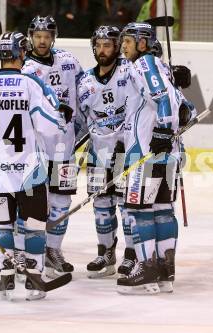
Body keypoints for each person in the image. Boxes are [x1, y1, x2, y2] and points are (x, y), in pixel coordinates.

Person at [0, 31, 70, 301]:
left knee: (1, 226)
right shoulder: (31, 83)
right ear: (22, 52)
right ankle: (33, 279)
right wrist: (61, 118)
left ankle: (6, 275)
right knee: (33, 225)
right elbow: (49, 127)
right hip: (28, 171)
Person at [118, 22, 194, 294]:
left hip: (146, 153)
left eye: (128, 40)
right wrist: (170, 127)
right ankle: (165, 270)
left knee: (138, 211)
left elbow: (163, 99)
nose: (123, 45)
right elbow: (186, 109)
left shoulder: (144, 64)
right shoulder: (162, 68)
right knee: (162, 210)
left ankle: (147, 268)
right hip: (168, 155)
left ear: (142, 42)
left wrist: (162, 130)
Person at [21, 15, 84, 279]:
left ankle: (54, 250)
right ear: (31, 37)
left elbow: (85, 89)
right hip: (35, 150)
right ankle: (28, 251)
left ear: (53, 37)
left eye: (47, 36)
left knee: (61, 200)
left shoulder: (69, 62)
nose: (42, 40)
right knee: (34, 203)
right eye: (38, 36)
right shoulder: (23, 69)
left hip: (65, 147)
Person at [76, 25, 141, 279]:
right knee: (101, 205)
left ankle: (131, 256)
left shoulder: (130, 71)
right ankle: (106, 253)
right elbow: (81, 120)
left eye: (108, 45)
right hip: (98, 153)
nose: (103, 50)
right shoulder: (85, 80)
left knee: (127, 206)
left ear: (117, 47)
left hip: (125, 151)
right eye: (99, 45)